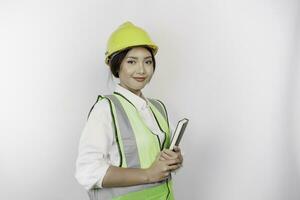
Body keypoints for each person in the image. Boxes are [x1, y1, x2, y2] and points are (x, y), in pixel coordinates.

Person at [75, 21, 183, 200]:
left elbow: (160, 156)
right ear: (116, 66)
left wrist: (176, 160)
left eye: (147, 62)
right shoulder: (105, 109)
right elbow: (87, 171)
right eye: (131, 61)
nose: (141, 70)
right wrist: (148, 174)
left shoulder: (158, 107)